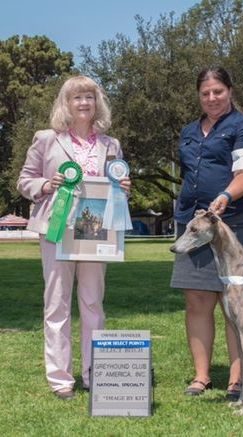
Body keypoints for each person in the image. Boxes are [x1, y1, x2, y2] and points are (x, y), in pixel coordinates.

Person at [17, 75, 131, 400]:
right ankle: (60, 379)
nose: (83, 103)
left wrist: (123, 188)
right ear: (65, 104)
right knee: (57, 304)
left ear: (97, 103)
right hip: (55, 228)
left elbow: (116, 184)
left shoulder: (111, 145)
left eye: (89, 97)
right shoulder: (46, 139)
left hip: (95, 228)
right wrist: (46, 185)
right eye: (76, 97)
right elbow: (24, 180)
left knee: (93, 302)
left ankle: (95, 374)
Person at [170, 67, 243, 398]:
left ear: (230, 91)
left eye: (218, 91)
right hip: (193, 225)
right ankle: (201, 377)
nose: (211, 98)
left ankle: (237, 380)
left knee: (235, 304)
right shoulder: (188, 131)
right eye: (205, 93)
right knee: (197, 299)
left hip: (237, 223)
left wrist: (225, 196)